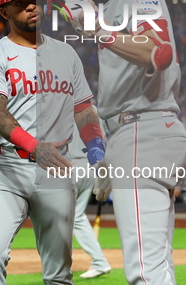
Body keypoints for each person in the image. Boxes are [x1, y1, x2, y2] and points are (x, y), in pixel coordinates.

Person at [63, 0, 186, 284]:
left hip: (142, 132)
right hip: (139, 133)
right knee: (158, 266)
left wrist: (95, 27)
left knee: (145, 274)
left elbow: (158, 52)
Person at [0, 0, 106, 285]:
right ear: (4, 12)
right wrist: (35, 147)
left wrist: (98, 150)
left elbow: (84, 110)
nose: (32, 7)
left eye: (34, 0)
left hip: (58, 172)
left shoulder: (65, 53)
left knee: (59, 273)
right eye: (21, 3)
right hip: (9, 167)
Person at [69, 116, 111, 279]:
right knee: (76, 216)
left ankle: (99, 261)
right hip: (91, 166)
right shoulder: (96, 114)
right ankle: (99, 261)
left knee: (63, 216)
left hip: (70, 165)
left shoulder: (59, 106)